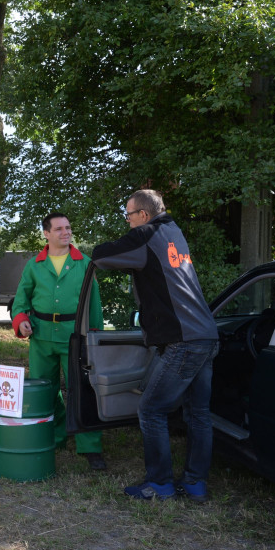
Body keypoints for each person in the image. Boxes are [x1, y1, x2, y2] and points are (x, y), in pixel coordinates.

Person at [91, 189, 219, 501]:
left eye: (128, 215)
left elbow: (101, 255)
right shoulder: (174, 232)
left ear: (143, 216)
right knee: (199, 413)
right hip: (206, 334)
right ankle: (194, 483)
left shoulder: (146, 235)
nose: (127, 221)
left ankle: (160, 484)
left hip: (182, 340)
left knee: (150, 410)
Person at [12, 212, 107, 471]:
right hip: (41, 337)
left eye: (68, 227)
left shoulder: (85, 263)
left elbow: (94, 305)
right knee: (45, 389)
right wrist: (21, 320)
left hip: (75, 336)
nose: (66, 232)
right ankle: (55, 436)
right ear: (46, 233)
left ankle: (90, 446)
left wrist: (94, 336)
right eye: (59, 229)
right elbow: (21, 301)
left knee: (82, 389)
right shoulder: (34, 265)